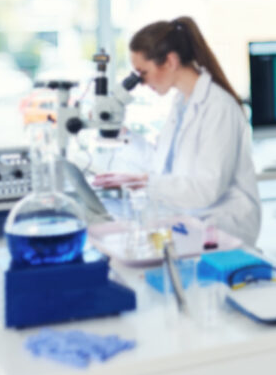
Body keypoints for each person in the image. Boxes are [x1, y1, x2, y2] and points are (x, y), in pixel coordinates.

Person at [93, 17, 261, 246]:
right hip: (192, 223)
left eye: (143, 72)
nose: (140, 82)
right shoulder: (182, 102)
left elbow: (205, 190)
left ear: (170, 61)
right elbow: (163, 164)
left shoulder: (218, 107)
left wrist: (145, 182)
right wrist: (123, 135)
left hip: (223, 230)